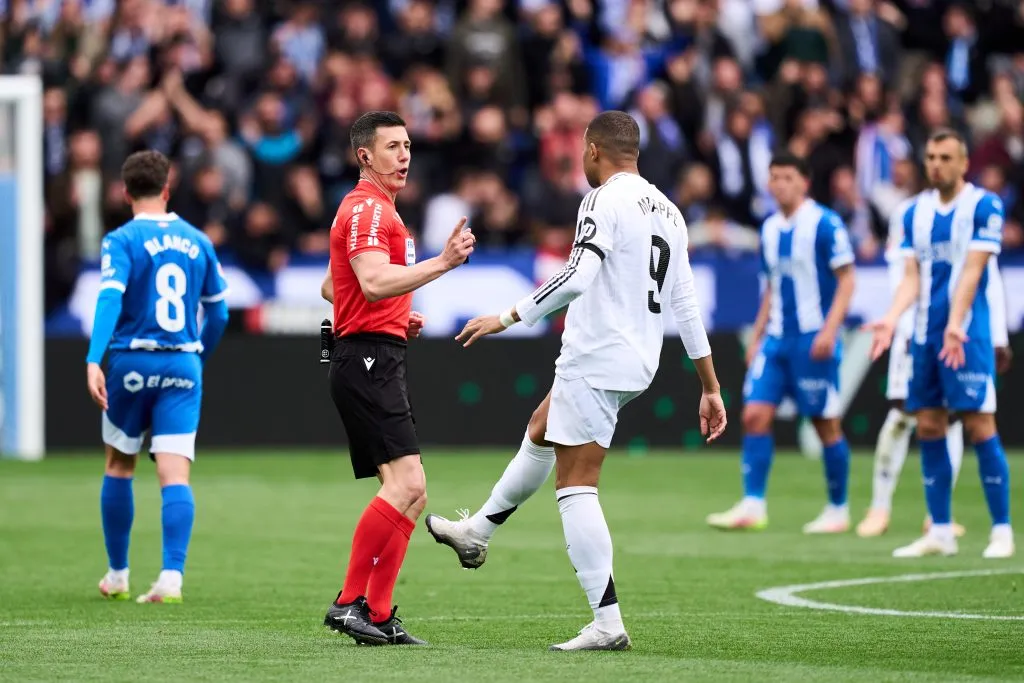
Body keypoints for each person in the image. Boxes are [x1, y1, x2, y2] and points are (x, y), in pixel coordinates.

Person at [427, 111, 727, 651]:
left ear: (593, 151)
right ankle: (479, 532)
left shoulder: (603, 199)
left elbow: (577, 277)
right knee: (541, 427)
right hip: (638, 360)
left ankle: (607, 622)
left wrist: (508, 315)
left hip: (598, 354)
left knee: (577, 484)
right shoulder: (671, 212)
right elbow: (684, 303)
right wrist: (710, 385)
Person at [319, 111, 475, 646]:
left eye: (407, 145)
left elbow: (332, 286)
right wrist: (443, 264)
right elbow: (370, 278)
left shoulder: (380, 211)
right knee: (406, 485)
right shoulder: (365, 206)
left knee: (412, 492)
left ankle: (379, 613)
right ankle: (348, 604)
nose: (404, 155)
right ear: (365, 156)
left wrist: (390, 314)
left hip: (377, 352)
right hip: (363, 360)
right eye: (392, 147)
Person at [88, 150, 230, 604]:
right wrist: (197, 359)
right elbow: (220, 312)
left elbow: (109, 299)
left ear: (126, 192)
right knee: (175, 474)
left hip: (131, 361)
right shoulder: (198, 240)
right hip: (182, 363)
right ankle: (171, 578)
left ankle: (118, 573)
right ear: (167, 190)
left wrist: (94, 359)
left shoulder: (121, 240)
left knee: (119, 464)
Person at [868, 129, 1014, 559]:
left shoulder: (985, 205)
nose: (936, 164)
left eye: (945, 157)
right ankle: (941, 531)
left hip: (968, 334)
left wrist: (955, 323)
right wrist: (891, 320)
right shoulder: (913, 213)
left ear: (963, 163)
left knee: (978, 423)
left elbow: (973, 270)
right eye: (930, 156)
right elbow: (912, 277)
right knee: (929, 425)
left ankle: (1002, 530)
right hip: (924, 336)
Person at [706, 153, 856, 534]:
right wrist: (756, 338)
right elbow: (771, 287)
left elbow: (847, 280)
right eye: (774, 178)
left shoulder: (826, 223)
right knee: (754, 415)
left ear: (804, 182)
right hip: (776, 339)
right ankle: (753, 505)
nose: (779, 185)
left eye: (787, 177)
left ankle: (838, 509)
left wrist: (829, 330)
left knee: (825, 424)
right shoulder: (770, 229)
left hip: (813, 338)